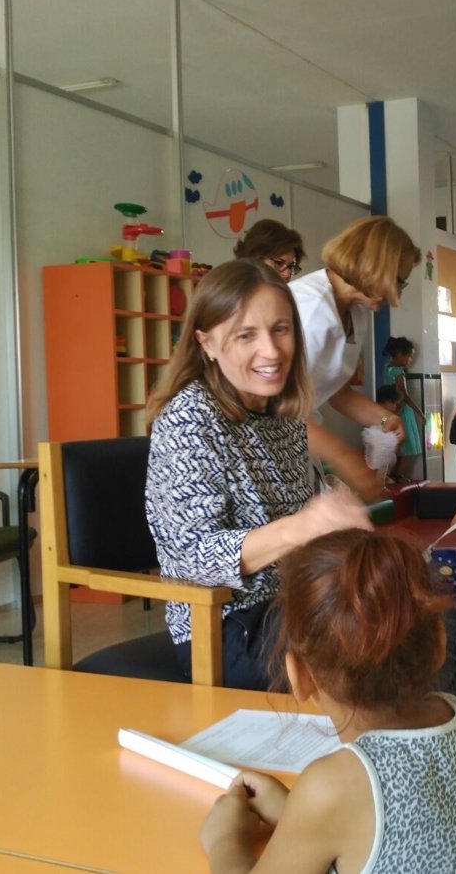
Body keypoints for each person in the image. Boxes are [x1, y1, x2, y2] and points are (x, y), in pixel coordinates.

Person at [200, 529, 456, 873]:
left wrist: (224, 838)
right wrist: (297, 813)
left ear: (298, 675)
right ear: (440, 644)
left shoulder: (333, 786)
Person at [145, 259, 371, 690]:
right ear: (207, 343)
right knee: (383, 654)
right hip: (223, 623)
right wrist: (303, 526)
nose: (271, 351)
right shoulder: (189, 419)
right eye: (246, 335)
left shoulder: (283, 414)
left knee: (446, 624)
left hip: (294, 603)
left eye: (280, 329)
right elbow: (194, 557)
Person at [290, 216, 421, 501]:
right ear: (374, 267)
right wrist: (344, 457)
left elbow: (336, 391)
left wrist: (385, 417)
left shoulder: (356, 311)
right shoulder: (311, 308)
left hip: (296, 439)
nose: (397, 294)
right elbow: (278, 409)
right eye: (398, 281)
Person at [381, 336, 424, 482]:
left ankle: (390, 475)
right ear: (400, 354)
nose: (410, 360)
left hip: (391, 410)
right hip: (403, 412)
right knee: (410, 447)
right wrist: (420, 412)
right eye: (409, 356)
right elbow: (404, 395)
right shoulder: (399, 371)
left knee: (398, 448)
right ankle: (398, 476)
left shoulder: (386, 369)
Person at [232, 218, 304, 281]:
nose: (287, 274)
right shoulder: (231, 290)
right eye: (278, 263)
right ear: (254, 259)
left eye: (290, 266)